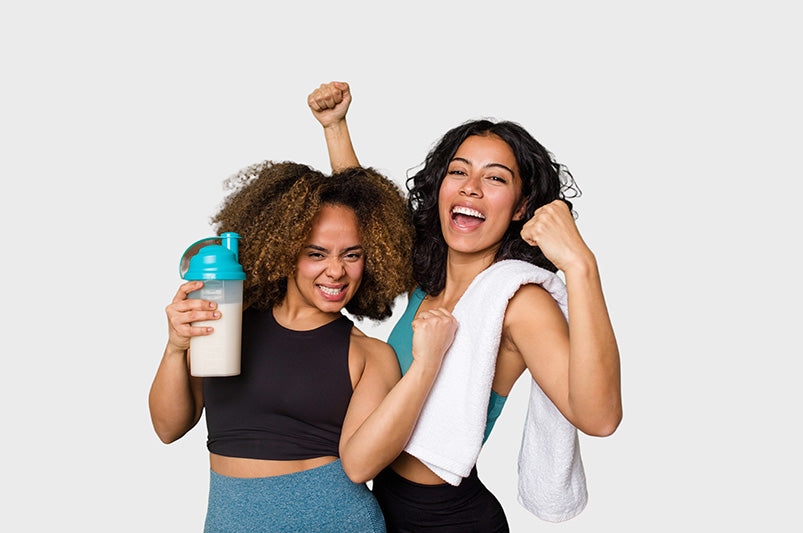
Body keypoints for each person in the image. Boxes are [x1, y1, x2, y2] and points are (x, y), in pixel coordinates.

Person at [308, 82, 623, 531]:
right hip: (385, 506)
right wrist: (336, 127)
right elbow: (369, 215)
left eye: (495, 178)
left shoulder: (518, 301)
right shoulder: (428, 278)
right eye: (459, 172)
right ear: (441, 188)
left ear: (521, 207)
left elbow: (600, 417)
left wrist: (581, 265)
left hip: (451, 519)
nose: (471, 188)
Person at [148, 161, 458, 532]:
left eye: (352, 254)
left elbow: (361, 466)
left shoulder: (369, 355)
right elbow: (168, 428)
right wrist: (175, 347)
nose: (336, 271)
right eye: (316, 253)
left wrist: (426, 365)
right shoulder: (227, 321)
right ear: (285, 252)